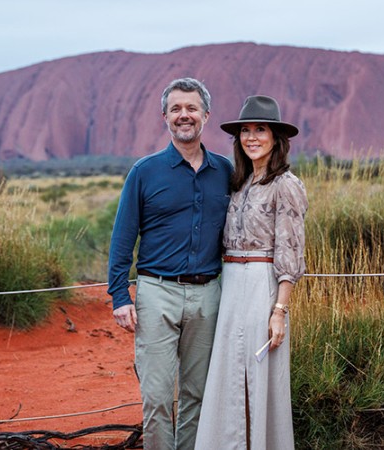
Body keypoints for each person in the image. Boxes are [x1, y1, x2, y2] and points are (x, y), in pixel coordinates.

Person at [108, 77, 233, 450]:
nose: (184, 115)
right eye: (176, 108)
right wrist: (119, 295)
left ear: (206, 115)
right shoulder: (145, 172)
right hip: (156, 293)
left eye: (192, 108)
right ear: (164, 116)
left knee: (197, 394)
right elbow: (122, 238)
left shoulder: (225, 171)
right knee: (158, 397)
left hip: (208, 295)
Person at [195, 95, 308, 449]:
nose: (252, 137)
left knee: (260, 375)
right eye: (245, 130)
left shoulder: (285, 185)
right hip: (231, 283)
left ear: (276, 137)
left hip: (263, 284)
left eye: (260, 129)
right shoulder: (239, 183)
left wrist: (279, 310)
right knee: (228, 373)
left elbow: (290, 250)